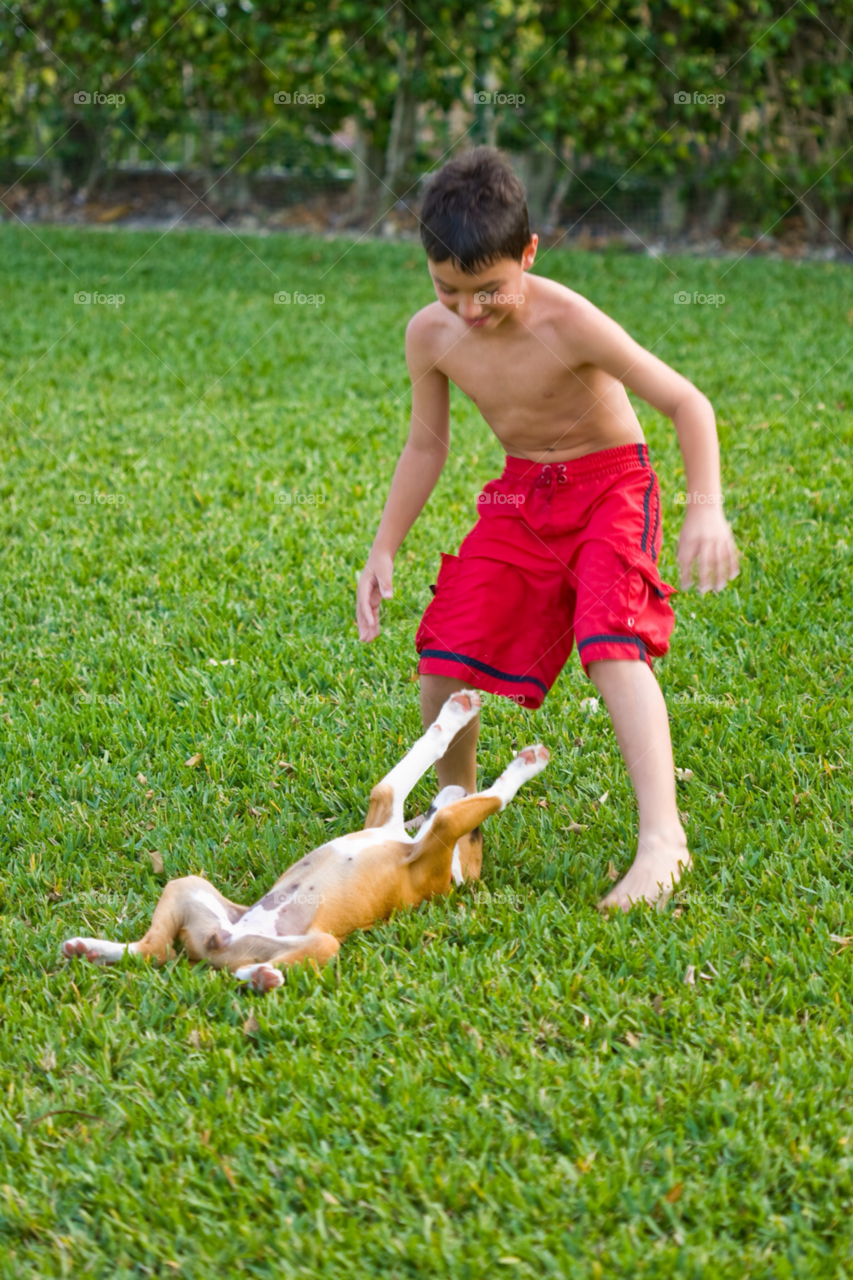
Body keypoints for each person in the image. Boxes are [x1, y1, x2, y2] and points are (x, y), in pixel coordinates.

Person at [356, 147, 738, 910]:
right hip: (520, 496)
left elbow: (686, 402)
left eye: (489, 290)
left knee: (610, 642)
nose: (468, 310)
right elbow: (426, 444)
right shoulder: (429, 335)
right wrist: (383, 544)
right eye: (448, 289)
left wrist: (706, 508)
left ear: (528, 253)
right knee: (444, 648)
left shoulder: (570, 321)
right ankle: (456, 816)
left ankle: (663, 839)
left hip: (611, 488)